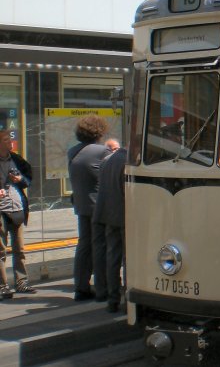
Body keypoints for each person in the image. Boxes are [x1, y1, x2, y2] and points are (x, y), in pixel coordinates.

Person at [68, 115, 111, 301]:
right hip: (99, 206)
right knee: (100, 246)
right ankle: (103, 289)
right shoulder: (102, 151)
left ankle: (81, 287)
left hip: (81, 205)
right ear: (99, 131)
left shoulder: (72, 151)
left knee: (84, 246)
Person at [0, 130, 35, 298]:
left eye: (10, 139)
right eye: (6, 140)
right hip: (1, 209)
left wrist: (20, 180)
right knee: (1, 250)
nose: (10, 142)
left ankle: (21, 282)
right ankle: (2, 286)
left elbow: (27, 180)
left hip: (17, 207)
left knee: (19, 248)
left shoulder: (17, 160)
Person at [93, 146, 127, 313]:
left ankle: (113, 300)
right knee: (129, 261)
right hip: (125, 217)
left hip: (109, 216)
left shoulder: (107, 160)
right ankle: (128, 301)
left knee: (112, 258)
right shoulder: (128, 162)